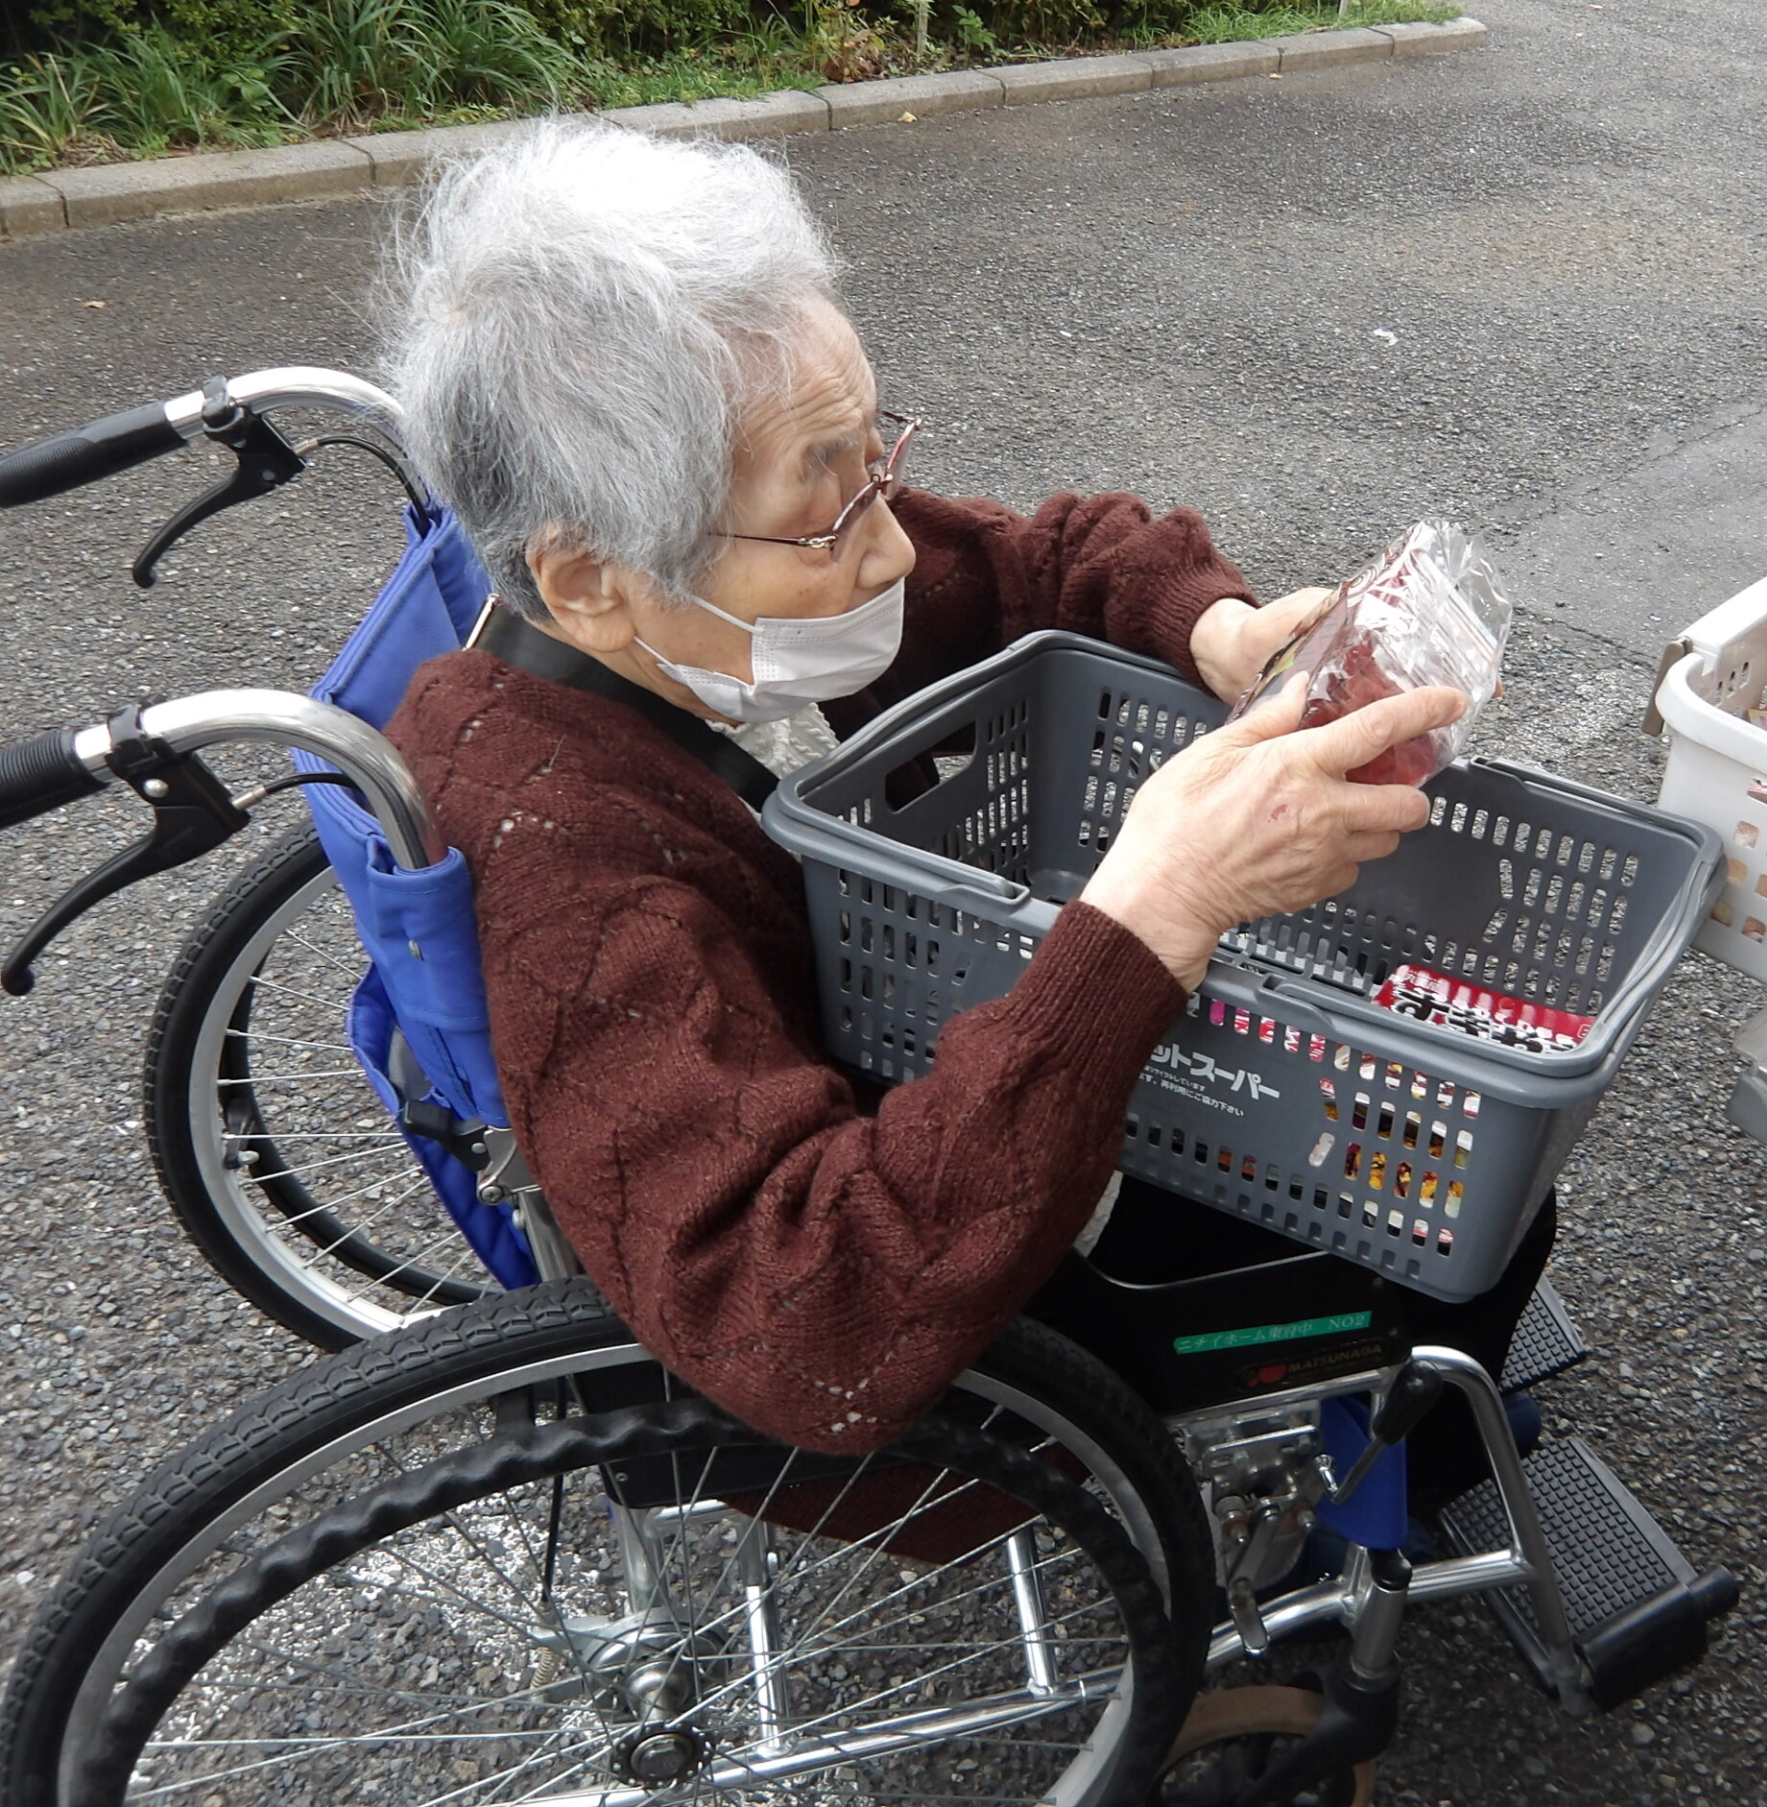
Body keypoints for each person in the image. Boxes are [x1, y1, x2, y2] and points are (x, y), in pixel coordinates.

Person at [383, 119, 1492, 1459]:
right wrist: (1155, 912)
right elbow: (813, 1322)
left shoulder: (681, 611)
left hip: (925, 1109)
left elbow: (1030, 565)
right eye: (827, 503)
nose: (892, 539)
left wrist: (1216, 629)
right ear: (586, 579)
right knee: (1452, 1219)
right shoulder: (570, 875)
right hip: (933, 1340)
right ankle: (1320, 1561)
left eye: (875, 457)